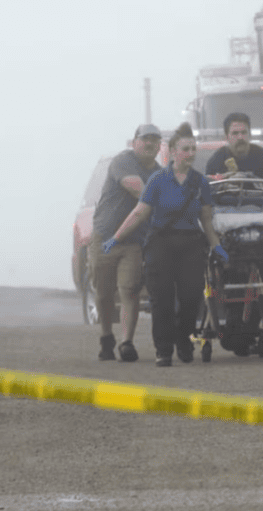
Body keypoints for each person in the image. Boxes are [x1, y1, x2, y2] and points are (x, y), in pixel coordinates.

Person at [104, 122, 229, 367]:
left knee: (191, 297)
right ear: (173, 151)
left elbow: (205, 220)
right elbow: (139, 213)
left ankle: (184, 342)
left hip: (190, 244)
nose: (191, 153)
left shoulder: (200, 182)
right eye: (186, 149)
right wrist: (116, 238)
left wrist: (216, 246)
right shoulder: (157, 180)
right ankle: (164, 349)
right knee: (161, 299)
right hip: (161, 243)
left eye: (193, 149)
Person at [89, 123, 162, 362]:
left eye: (154, 140)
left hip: (133, 241)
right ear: (134, 142)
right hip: (105, 236)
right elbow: (137, 189)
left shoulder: (160, 173)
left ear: (160, 145)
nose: (149, 143)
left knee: (129, 290)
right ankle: (106, 336)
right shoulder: (124, 161)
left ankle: (126, 343)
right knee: (103, 293)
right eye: (145, 139)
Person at [204, 112, 263, 180]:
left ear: (250, 135)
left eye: (243, 132)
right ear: (226, 137)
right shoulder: (215, 163)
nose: (240, 137)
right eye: (235, 133)